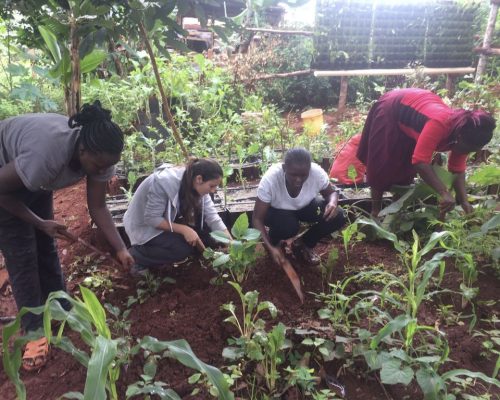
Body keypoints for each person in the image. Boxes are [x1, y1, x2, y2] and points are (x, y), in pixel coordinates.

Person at [0, 101, 134, 371]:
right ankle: (34, 331)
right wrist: (38, 222)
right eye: (97, 166)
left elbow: (98, 207)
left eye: (107, 167)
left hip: (33, 178)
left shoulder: (100, 157)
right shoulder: (46, 155)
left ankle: (60, 308)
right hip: (5, 179)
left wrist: (121, 248)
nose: (101, 172)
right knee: (23, 255)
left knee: (46, 247)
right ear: (82, 150)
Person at [357, 88, 496, 217]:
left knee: (405, 168)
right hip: (392, 109)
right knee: (382, 162)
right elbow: (420, 162)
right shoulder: (439, 123)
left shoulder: (466, 135)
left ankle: (395, 213)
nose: (467, 153)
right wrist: (443, 192)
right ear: (459, 137)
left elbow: (457, 170)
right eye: (467, 149)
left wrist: (464, 201)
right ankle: (375, 212)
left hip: (416, 117)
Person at [123, 158, 230, 275]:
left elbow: (213, 218)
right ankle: (137, 256)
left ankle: (195, 255)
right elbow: (151, 219)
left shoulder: (194, 181)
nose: (214, 190)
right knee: (182, 249)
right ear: (199, 179)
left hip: (165, 220)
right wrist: (184, 229)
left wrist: (232, 245)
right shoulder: (163, 182)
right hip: (144, 226)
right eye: (212, 186)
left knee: (208, 233)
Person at [252, 148, 346, 267]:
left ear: (309, 170)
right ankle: (275, 243)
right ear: (284, 168)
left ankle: (305, 243)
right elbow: (257, 219)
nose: (298, 179)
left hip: (305, 207)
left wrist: (332, 202)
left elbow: (331, 193)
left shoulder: (316, 173)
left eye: (303, 175)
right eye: (293, 175)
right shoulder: (271, 179)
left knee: (338, 216)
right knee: (289, 226)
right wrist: (270, 247)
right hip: (277, 212)